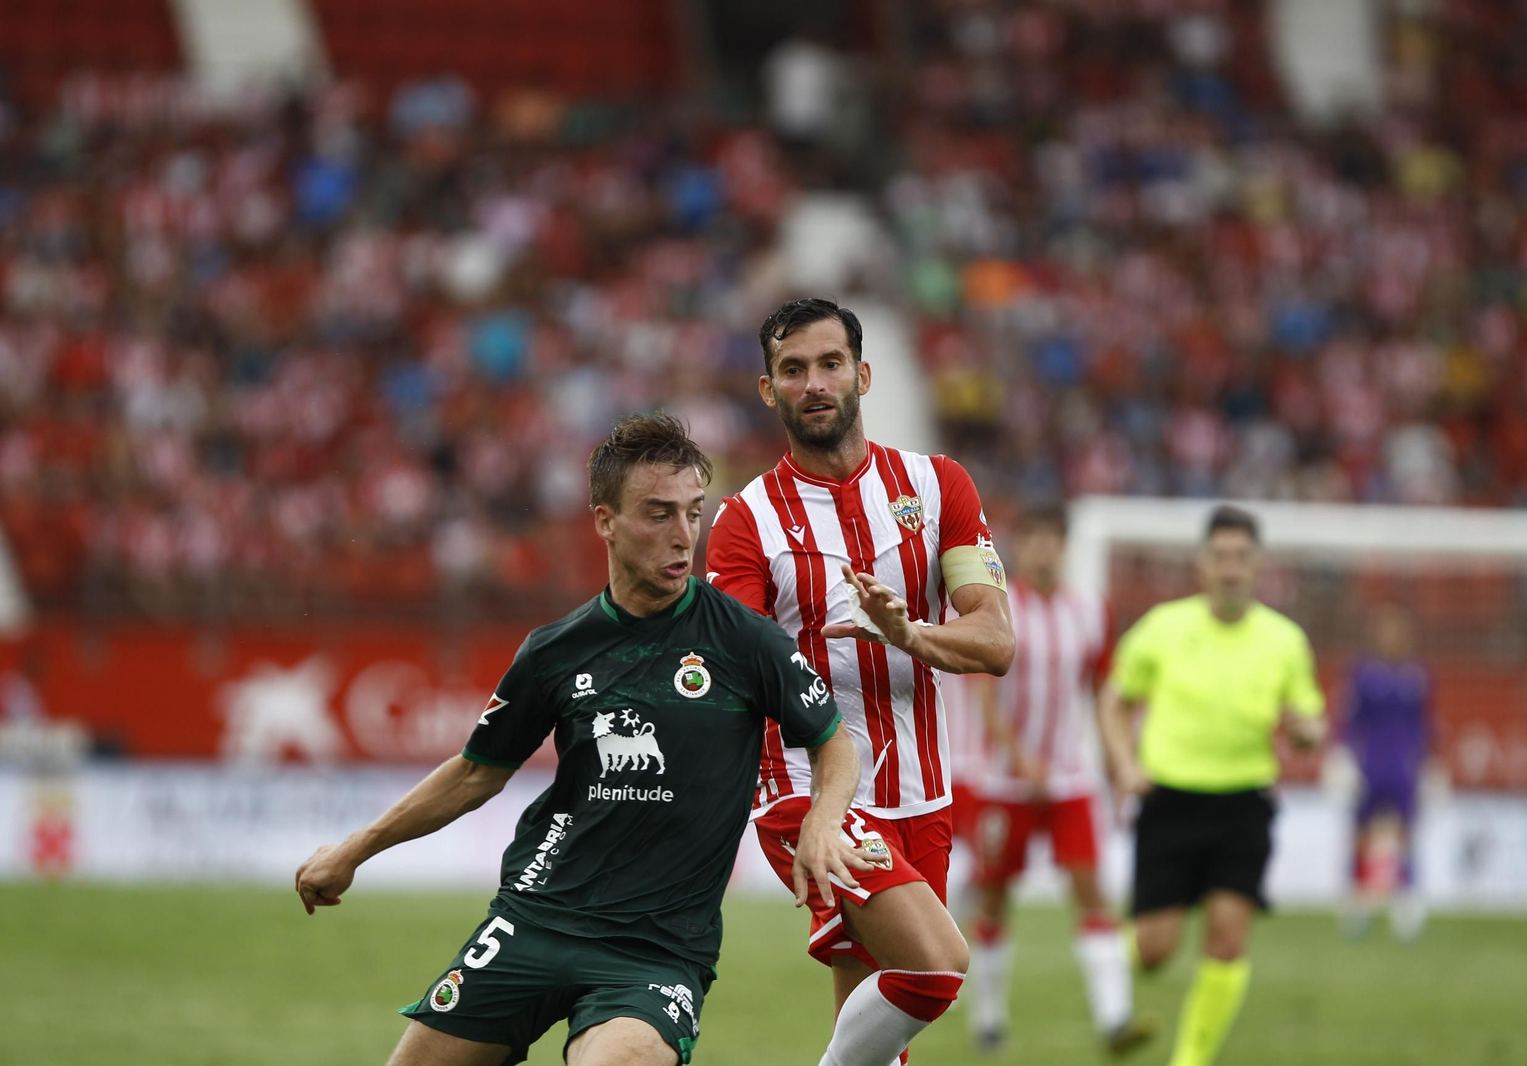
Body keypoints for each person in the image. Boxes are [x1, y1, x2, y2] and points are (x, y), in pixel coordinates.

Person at [295, 413, 879, 1066]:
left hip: (656, 951)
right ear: (605, 521)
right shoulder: (554, 651)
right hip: (536, 919)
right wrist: (353, 850)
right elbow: (474, 773)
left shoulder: (745, 641)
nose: (684, 536)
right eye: (659, 514)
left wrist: (825, 822)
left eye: (693, 513)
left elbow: (834, 744)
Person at [706, 298, 1016, 1066]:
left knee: (885, 1025)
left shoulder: (939, 487)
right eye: (793, 369)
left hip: (923, 791)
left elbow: (996, 641)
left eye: (829, 363)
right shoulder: (746, 521)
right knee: (937, 967)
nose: (814, 383)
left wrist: (909, 633)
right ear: (767, 390)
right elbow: (733, 676)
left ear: (863, 375)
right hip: (808, 790)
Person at [1098, 505, 1327, 1066]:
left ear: (1257, 566)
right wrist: (1125, 765)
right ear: (1202, 565)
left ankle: (1190, 1060)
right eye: (1221, 556)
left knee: (1227, 935)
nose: (1231, 568)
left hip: (1244, 802)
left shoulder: (1284, 640)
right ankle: (1105, 966)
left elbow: (1311, 723)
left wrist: (1306, 731)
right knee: (1154, 950)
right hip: (1169, 799)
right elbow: (1114, 699)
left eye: (1241, 558)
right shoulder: (1163, 627)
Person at [947, 503, 1153, 1054]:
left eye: (1051, 540)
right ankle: (988, 1020)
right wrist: (1018, 755)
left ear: (1064, 547)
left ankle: (1115, 1018)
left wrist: (1117, 766)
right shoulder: (998, 607)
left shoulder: (1090, 612)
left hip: (1070, 779)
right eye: (1033, 539)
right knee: (994, 898)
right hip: (1004, 781)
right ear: (1021, 546)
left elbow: (1103, 695)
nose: (1042, 549)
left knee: (1092, 891)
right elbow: (984, 692)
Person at [1337, 604, 1434, 941]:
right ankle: (1358, 901)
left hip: (1404, 766)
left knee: (1406, 832)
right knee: (1361, 833)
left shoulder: (1416, 676)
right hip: (1370, 764)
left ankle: (1405, 904)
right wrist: (1342, 756)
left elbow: (1423, 724)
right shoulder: (1363, 673)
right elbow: (1349, 718)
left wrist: (1432, 764)